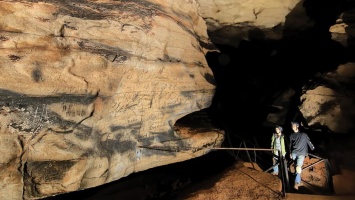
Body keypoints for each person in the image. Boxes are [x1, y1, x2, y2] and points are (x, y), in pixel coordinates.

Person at [289, 121, 315, 190]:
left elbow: (309, 142)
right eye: (292, 126)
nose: (292, 127)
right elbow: (290, 145)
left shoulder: (303, 134)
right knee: (296, 167)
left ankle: (296, 183)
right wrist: (290, 153)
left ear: (297, 126)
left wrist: (312, 148)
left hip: (301, 153)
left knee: (298, 167)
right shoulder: (291, 135)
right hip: (294, 152)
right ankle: (298, 182)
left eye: (294, 125)